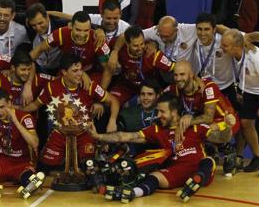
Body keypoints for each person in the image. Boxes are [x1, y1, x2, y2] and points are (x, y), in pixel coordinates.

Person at [88, 93, 235, 203]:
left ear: (174, 113)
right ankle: (133, 193)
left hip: (198, 167)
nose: (158, 115)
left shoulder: (195, 127)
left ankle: (196, 180)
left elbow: (221, 138)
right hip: (174, 170)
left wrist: (228, 126)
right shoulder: (157, 131)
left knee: (208, 160)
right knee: (154, 177)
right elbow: (126, 136)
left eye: (162, 112)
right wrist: (98, 136)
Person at [22, 54, 120, 170]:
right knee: (45, 167)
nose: (80, 74)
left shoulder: (90, 86)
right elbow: (34, 105)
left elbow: (114, 101)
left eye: (81, 70)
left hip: (84, 134)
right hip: (60, 134)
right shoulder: (51, 87)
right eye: (75, 71)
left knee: (88, 166)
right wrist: (14, 109)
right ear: (64, 72)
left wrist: (112, 121)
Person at [220, 29, 259, 178]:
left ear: (236, 47)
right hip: (249, 89)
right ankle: (258, 157)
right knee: (246, 122)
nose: (221, 47)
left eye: (225, 45)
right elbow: (223, 28)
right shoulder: (238, 39)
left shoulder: (256, 58)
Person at [0, 88, 45, 199]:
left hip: (22, 162)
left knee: (27, 176)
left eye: (2, 107)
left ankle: (30, 183)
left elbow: (35, 143)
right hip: (1, 162)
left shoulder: (24, 117)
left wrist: (16, 122)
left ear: (10, 103)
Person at [30, 11, 112, 83]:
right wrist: (27, 78)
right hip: (66, 72)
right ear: (70, 26)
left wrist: (100, 94)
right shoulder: (60, 34)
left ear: (90, 28)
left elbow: (107, 70)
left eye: (86, 30)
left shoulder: (98, 40)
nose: (82, 34)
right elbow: (39, 49)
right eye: (78, 30)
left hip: (90, 74)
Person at [105, 26, 175, 105]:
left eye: (142, 44)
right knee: (109, 103)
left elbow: (175, 69)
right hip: (126, 86)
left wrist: (165, 91)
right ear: (127, 43)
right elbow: (119, 38)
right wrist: (114, 53)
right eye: (135, 46)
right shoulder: (120, 47)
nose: (140, 48)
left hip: (148, 90)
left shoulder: (152, 54)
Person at [24, 3, 64, 74]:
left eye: (40, 23)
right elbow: (11, 14)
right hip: (38, 69)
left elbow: (80, 20)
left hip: (60, 70)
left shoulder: (61, 25)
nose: (38, 28)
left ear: (47, 17)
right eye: (34, 25)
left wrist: (52, 13)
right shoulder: (29, 27)